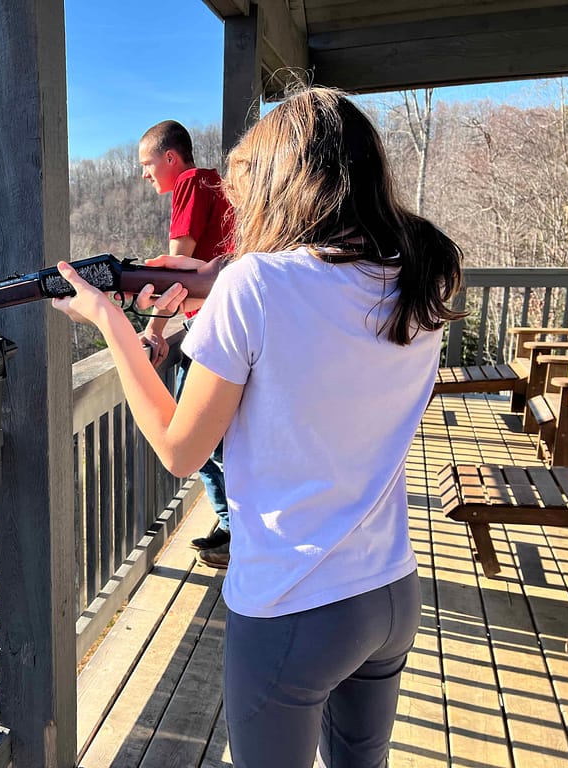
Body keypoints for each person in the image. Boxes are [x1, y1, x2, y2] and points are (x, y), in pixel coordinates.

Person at [52, 86, 463, 768]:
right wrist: (215, 275)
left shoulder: (258, 288)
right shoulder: (421, 274)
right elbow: (323, 295)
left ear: (285, 189)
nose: (244, 213)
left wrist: (111, 324)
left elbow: (181, 450)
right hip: (389, 589)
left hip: (293, 605)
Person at [137, 119, 233, 563]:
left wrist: (153, 329)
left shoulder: (192, 183)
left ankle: (238, 527)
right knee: (210, 436)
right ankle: (235, 522)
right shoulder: (220, 183)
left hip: (212, 325)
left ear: (171, 158)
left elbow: (174, 271)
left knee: (190, 435)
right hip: (228, 321)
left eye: (147, 164)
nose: (144, 174)